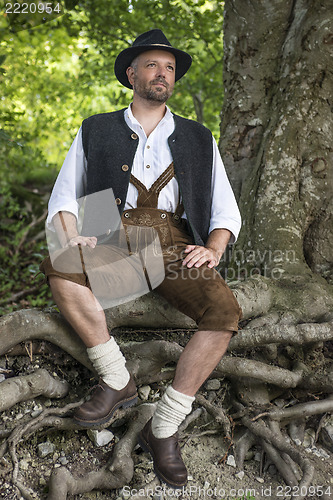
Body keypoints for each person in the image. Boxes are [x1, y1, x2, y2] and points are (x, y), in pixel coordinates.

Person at [40, 29, 242, 489]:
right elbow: (65, 197)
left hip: (173, 244)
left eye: (169, 67)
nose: (162, 73)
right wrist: (75, 237)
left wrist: (212, 247)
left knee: (225, 311)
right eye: (152, 65)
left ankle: (165, 426)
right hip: (111, 234)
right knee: (60, 265)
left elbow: (225, 209)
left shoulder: (197, 136)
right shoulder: (96, 128)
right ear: (132, 74)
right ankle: (116, 379)